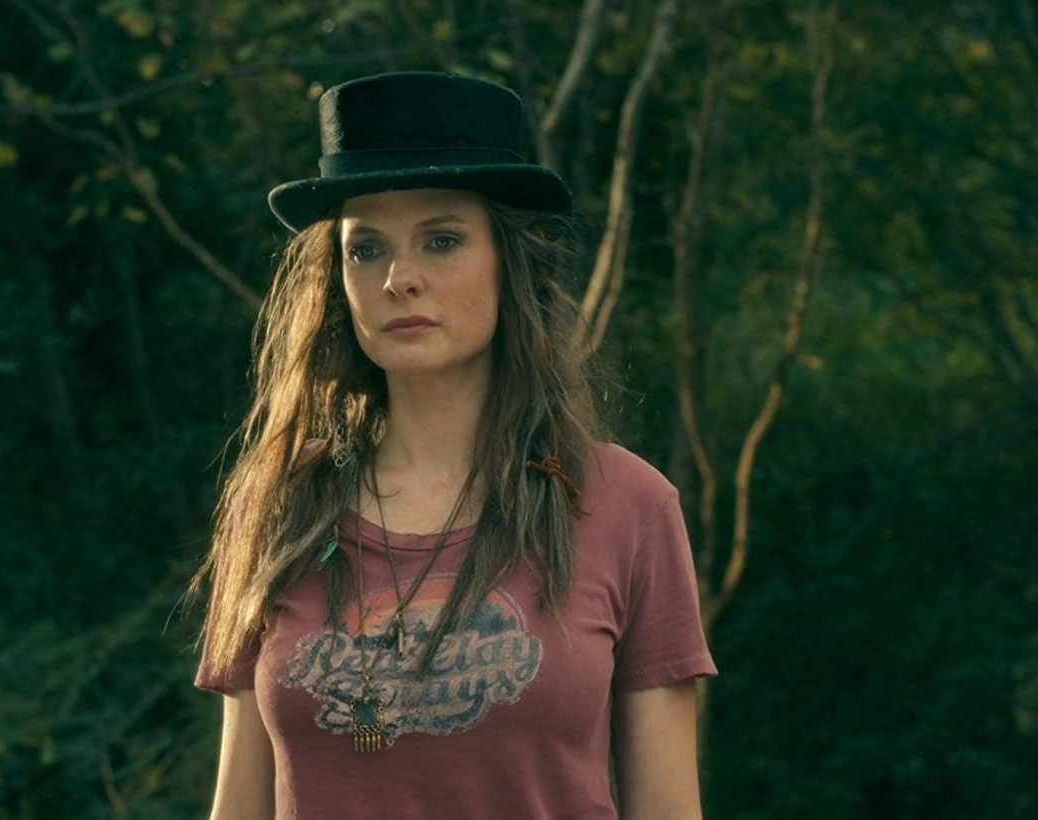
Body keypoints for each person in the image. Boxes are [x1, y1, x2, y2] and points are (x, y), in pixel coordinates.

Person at [188, 70, 717, 819]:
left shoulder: (626, 505)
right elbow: (239, 806)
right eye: (366, 249)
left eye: (441, 240)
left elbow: (667, 809)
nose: (399, 279)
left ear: (511, 261)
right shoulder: (278, 502)